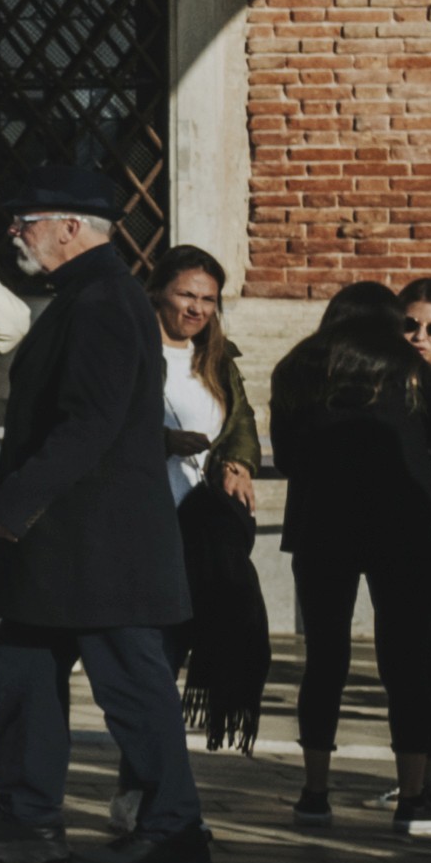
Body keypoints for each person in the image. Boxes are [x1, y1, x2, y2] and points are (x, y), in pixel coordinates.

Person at [0, 178, 214, 863]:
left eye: (25, 222)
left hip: (100, 544)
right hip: (63, 546)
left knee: (133, 687)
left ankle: (172, 831)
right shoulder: (89, 294)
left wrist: (13, 504)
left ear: (70, 228)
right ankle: (25, 817)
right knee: (27, 671)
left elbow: (91, 421)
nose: (16, 233)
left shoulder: (102, 299)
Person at [272, 277, 431, 828]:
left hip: (322, 527)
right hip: (405, 528)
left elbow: (285, 456)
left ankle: (314, 793)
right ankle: (413, 798)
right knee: (407, 662)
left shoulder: (295, 368)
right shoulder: (409, 369)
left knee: (324, 660)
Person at [154, 247, 269, 752]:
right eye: (186, 294)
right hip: (146, 524)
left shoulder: (218, 358)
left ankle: (152, 780)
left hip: (199, 529)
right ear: (158, 292)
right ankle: (143, 782)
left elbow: (239, 420)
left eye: (208, 299)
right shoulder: (132, 350)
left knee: (200, 637)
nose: (196, 308)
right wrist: (161, 441)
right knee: (152, 659)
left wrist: (238, 461)